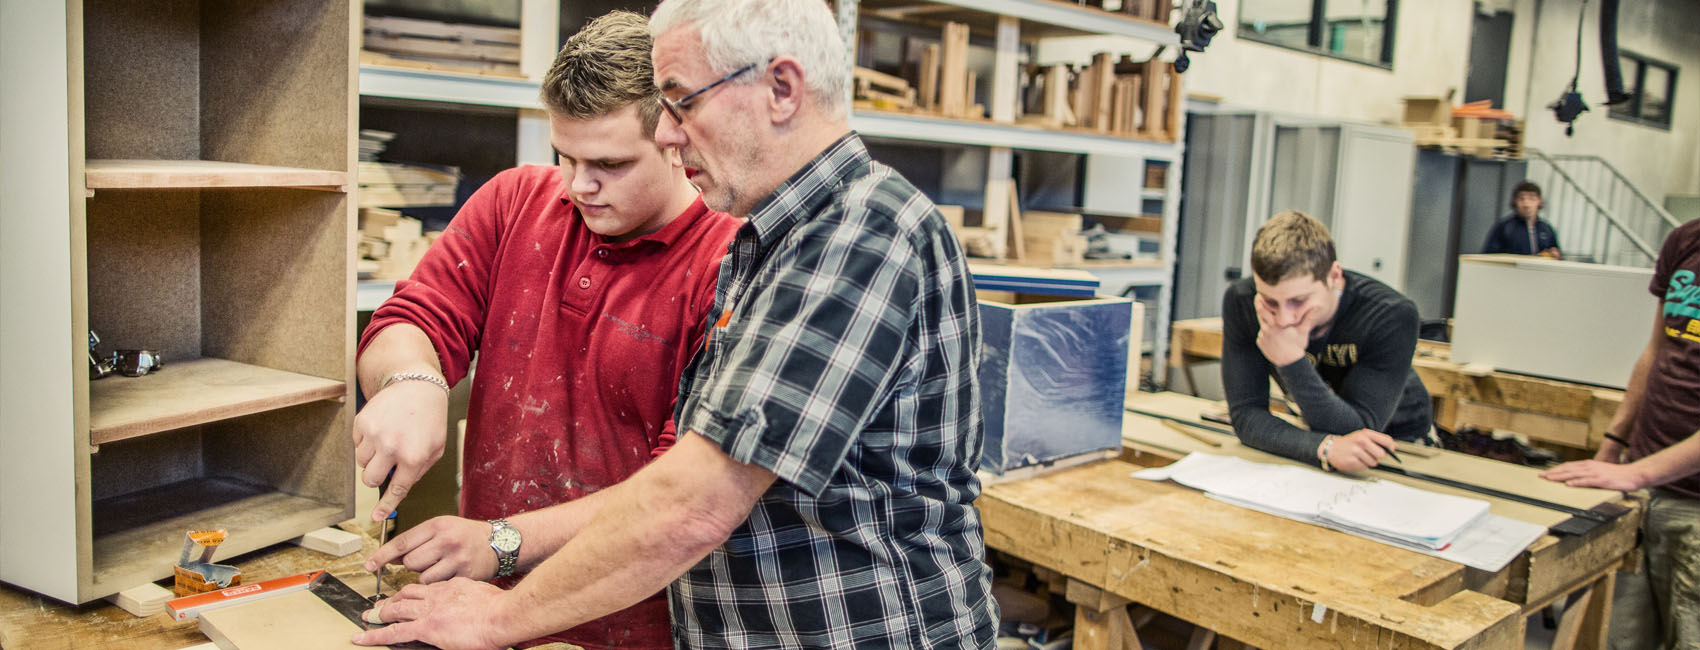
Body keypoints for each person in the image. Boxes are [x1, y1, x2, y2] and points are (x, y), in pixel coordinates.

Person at [352, 0, 997, 648]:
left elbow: (694, 501)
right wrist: (413, 378)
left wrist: (496, 611)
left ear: (781, 89)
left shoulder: (862, 235)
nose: (667, 132)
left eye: (683, 101)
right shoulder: (775, 240)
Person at [350, 11, 741, 649]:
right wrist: (411, 382)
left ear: (678, 140)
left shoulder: (728, 267)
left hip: (636, 626)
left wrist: (500, 544)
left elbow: (680, 495)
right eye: (564, 156)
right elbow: (415, 318)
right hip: (477, 613)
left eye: (608, 163)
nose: (579, 185)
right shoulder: (513, 203)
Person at [1541, 219, 1700, 650]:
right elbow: (1657, 350)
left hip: (1690, 507)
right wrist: (1613, 447)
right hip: (1644, 488)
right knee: (1618, 636)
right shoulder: (1686, 240)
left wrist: (1638, 474)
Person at [1220, 211, 1434, 472]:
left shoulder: (1390, 314)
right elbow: (1246, 416)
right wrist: (1322, 447)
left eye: (1299, 301)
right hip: (1322, 434)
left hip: (1400, 441)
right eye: (1270, 301)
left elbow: (1358, 429)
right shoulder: (1243, 301)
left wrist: (1290, 360)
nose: (1285, 318)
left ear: (1333, 276)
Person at [1481, 181, 1562, 258]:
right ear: (1515, 201)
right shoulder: (1504, 227)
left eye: (1531, 198)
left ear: (1539, 201)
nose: (1526, 204)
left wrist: (1555, 254)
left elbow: (1557, 254)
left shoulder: (1546, 229)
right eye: (1521, 198)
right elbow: (1489, 256)